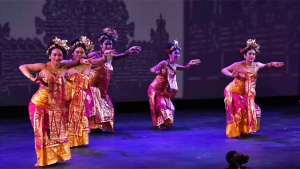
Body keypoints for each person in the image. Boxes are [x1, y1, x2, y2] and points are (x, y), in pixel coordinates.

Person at [19, 37, 92, 166]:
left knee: (54, 133)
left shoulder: (63, 67)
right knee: (41, 132)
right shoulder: (43, 67)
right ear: (50, 56)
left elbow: (77, 61)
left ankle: (54, 157)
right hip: (39, 104)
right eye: (55, 55)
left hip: (55, 107)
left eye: (60, 55)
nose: (57, 58)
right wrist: (31, 77)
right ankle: (42, 160)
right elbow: (23, 66)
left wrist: (83, 60)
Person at [221, 39, 284, 138]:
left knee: (254, 109)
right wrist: (230, 74)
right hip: (232, 91)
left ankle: (245, 130)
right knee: (238, 110)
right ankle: (235, 132)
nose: (252, 56)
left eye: (253, 54)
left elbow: (265, 65)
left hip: (244, 93)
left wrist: (272, 64)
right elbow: (224, 69)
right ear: (244, 55)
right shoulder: (239, 64)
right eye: (249, 54)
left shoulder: (256, 65)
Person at [86, 27, 141, 132]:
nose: (108, 46)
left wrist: (128, 52)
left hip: (102, 88)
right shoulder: (94, 55)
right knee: (94, 105)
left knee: (107, 106)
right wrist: (102, 58)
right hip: (92, 86)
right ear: (101, 45)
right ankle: (90, 126)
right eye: (106, 44)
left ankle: (97, 126)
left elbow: (119, 56)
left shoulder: (110, 56)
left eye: (110, 44)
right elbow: (88, 59)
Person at [148, 40, 201, 130]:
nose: (178, 55)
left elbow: (184, 68)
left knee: (170, 107)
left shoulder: (175, 66)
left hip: (162, 91)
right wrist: (154, 70)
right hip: (154, 89)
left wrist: (189, 63)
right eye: (175, 53)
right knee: (160, 106)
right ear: (170, 54)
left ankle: (164, 122)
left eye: (179, 54)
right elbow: (152, 69)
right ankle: (160, 124)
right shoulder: (164, 63)